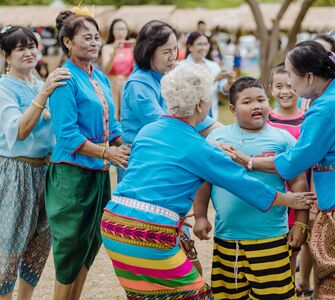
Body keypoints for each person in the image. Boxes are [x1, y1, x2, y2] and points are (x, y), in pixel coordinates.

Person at [100, 63, 316, 300]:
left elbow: (171, 152)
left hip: (113, 224)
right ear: (201, 104)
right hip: (150, 231)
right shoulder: (200, 148)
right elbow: (243, 184)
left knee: (147, 295)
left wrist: (208, 148)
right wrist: (288, 199)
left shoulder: (148, 131)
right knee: (197, 296)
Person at [227, 41, 335, 299]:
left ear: (309, 76)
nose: (290, 83)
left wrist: (250, 161)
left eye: (292, 75)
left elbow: (295, 161)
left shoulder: (326, 107)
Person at [193, 77, 311, 300]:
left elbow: (298, 182)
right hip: (228, 238)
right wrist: (200, 216)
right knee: (230, 295)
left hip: (271, 236)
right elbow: (203, 182)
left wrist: (300, 222)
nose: (256, 106)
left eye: (261, 100)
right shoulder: (217, 138)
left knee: (274, 295)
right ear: (232, 109)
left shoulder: (282, 139)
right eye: (247, 102)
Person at [44, 11, 129, 300]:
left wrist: (128, 146)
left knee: (90, 242)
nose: (94, 43)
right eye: (86, 37)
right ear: (68, 42)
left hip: (99, 172)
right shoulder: (64, 79)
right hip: (72, 174)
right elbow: (67, 136)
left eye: (96, 37)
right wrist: (109, 152)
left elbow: (114, 126)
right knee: (70, 245)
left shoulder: (100, 77)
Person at [0, 26, 70, 300]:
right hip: (16, 172)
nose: (29, 52)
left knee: (40, 243)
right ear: (6, 55)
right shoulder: (4, 88)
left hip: (45, 172)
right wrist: (44, 96)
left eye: (32, 46)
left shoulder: (39, 84)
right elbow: (19, 131)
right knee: (10, 243)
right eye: (20, 48)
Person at [120, 21, 218, 179]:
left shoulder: (166, 75)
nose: (173, 56)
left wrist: (227, 131)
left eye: (175, 49)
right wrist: (207, 146)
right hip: (144, 166)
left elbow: (191, 115)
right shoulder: (138, 85)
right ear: (148, 51)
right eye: (166, 51)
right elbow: (164, 127)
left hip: (165, 154)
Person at [266, 63, 314, 296]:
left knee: (296, 241)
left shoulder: (308, 121)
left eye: (290, 85)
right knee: (274, 242)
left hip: (300, 189)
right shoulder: (265, 120)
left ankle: (293, 284)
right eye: (279, 86)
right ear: (270, 88)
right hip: (273, 192)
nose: (285, 91)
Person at [180, 31, 234, 121]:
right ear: (190, 46)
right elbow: (188, 91)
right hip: (189, 116)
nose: (204, 47)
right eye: (200, 44)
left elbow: (224, 89)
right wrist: (215, 79)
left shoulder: (214, 66)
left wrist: (230, 81)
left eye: (206, 44)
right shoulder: (180, 67)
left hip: (211, 115)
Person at [101, 19, 134, 119]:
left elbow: (135, 68)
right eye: (117, 29)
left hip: (127, 83)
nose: (120, 32)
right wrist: (114, 52)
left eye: (123, 29)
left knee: (127, 114)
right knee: (113, 115)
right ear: (112, 31)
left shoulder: (131, 47)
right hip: (112, 84)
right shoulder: (107, 48)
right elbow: (105, 70)